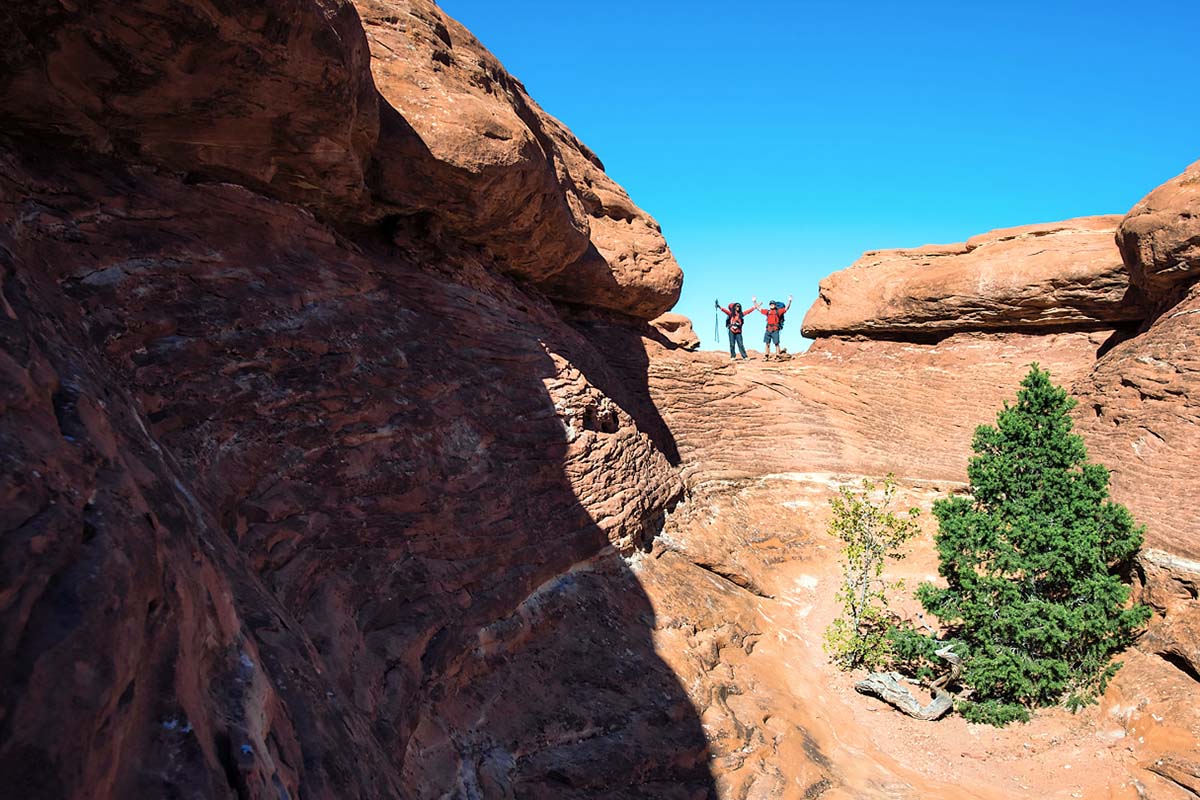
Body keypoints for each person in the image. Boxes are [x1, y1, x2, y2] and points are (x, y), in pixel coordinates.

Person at [757, 295, 792, 360]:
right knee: (767, 343)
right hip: (768, 329)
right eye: (771, 304)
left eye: (773, 304)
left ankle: (778, 356)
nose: (772, 305)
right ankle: (766, 355)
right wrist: (754, 301)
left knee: (776, 343)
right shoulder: (768, 312)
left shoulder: (778, 311)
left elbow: (786, 308)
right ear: (769, 305)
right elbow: (759, 309)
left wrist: (789, 301)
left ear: (775, 305)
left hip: (775, 329)